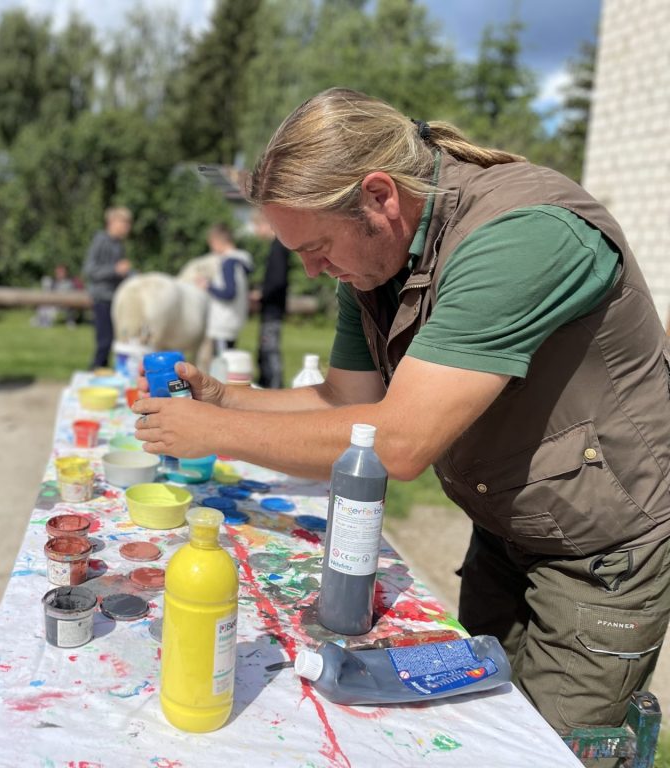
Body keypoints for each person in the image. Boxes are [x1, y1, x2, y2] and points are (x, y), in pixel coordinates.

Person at [131, 87, 670, 738]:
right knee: (480, 728)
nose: (309, 270)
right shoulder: (371, 262)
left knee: (552, 748)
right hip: (506, 528)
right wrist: (225, 398)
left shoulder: (521, 236)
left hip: (599, 551)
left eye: (315, 245)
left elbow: (398, 441)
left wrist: (216, 433)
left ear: (379, 197)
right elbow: (343, 404)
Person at [196, 223, 253, 371]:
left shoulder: (228, 263)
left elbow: (229, 293)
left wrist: (208, 286)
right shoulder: (242, 261)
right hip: (233, 320)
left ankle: (223, 392)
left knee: (222, 364)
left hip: (223, 323)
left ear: (217, 241)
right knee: (229, 360)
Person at [83, 206, 132, 369]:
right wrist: (115, 270)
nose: (127, 227)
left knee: (115, 342)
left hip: (116, 299)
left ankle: (102, 377)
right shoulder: (101, 240)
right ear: (112, 222)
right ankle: (92, 375)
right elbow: (89, 270)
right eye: (124, 222)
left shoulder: (118, 244)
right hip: (102, 298)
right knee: (104, 343)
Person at [253, 212, 291, 388]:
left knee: (269, 350)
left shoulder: (278, 247)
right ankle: (266, 382)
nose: (255, 231)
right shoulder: (277, 247)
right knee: (264, 350)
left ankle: (274, 386)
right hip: (270, 309)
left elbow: (277, 280)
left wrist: (261, 295)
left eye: (257, 226)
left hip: (272, 311)